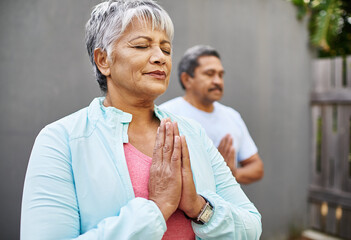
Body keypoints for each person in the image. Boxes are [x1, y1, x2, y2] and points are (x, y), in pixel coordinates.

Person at [21, 1, 261, 239]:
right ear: (103, 60)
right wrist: (157, 209)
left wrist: (198, 208)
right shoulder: (61, 140)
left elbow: (252, 226)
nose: (160, 58)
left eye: (166, 49)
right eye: (141, 46)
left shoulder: (192, 133)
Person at [160, 45, 264, 184]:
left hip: (227, 204)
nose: (218, 81)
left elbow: (256, 167)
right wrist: (211, 171)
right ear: (186, 79)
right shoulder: (166, 115)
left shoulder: (232, 116)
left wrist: (231, 174)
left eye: (220, 75)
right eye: (209, 74)